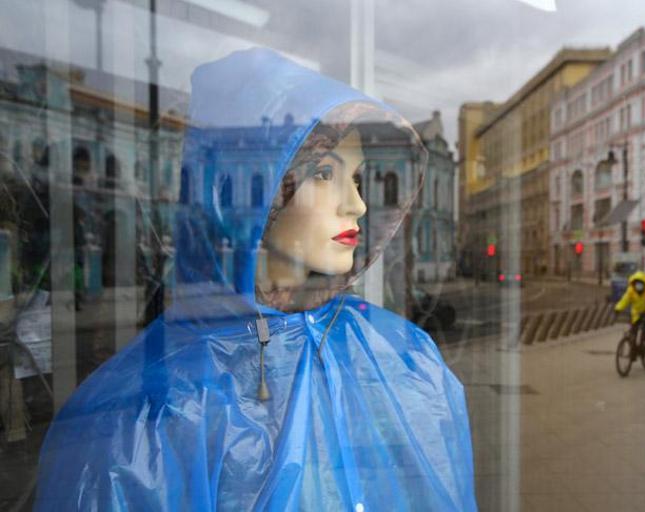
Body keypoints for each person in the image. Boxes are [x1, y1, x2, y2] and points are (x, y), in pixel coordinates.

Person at [34, 48, 477, 511]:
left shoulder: (407, 362)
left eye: (359, 180)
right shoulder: (146, 416)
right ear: (244, 194)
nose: (357, 205)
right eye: (325, 173)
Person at [614, 271, 645, 358]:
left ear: (643, 283)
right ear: (633, 284)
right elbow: (625, 300)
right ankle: (633, 350)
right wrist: (618, 308)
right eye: (636, 283)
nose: (638, 286)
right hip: (636, 314)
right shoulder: (631, 290)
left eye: (640, 283)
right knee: (633, 331)